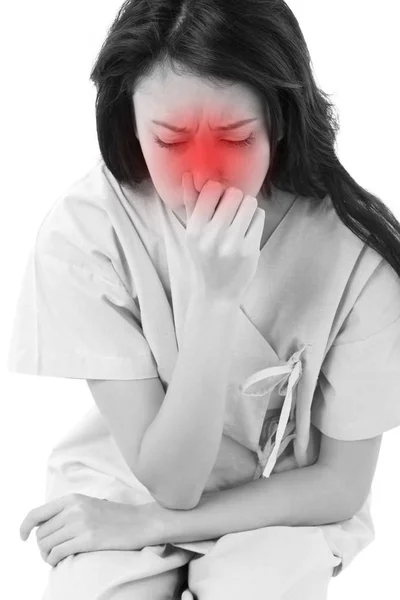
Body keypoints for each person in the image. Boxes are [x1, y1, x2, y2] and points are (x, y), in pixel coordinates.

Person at [8, 0, 400, 599]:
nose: (205, 175)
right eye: (169, 140)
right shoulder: (88, 229)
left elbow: (339, 484)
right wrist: (214, 303)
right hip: (131, 478)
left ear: (280, 120)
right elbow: (168, 480)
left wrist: (161, 525)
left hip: (284, 500)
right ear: (130, 125)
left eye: (236, 137)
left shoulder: (358, 250)